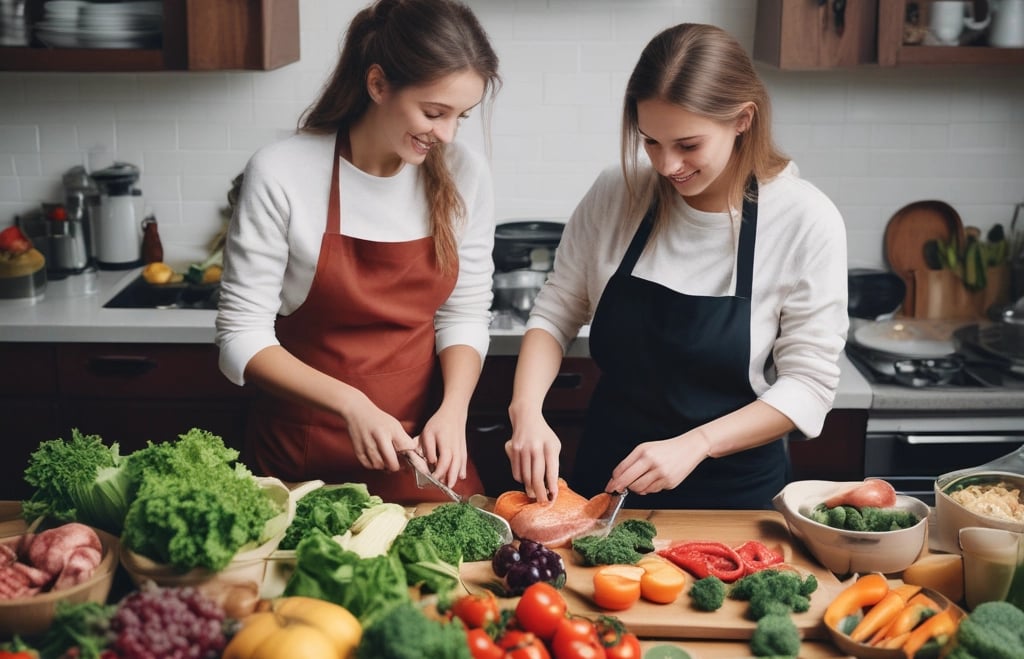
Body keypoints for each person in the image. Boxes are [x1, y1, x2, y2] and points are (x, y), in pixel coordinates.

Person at [505, 23, 848, 510]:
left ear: (742, 120)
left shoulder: (804, 220)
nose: (667, 167)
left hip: (732, 498)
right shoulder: (617, 193)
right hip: (607, 482)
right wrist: (527, 412)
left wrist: (697, 443)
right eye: (650, 142)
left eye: (688, 145)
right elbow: (557, 310)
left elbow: (809, 386)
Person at [215, 0, 500, 503]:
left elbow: (465, 313)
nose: (448, 134)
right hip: (300, 465)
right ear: (377, 84)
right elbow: (241, 337)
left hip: (423, 459)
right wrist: (352, 404)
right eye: (434, 113)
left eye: (461, 116)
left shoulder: (464, 174)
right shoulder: (283, 171)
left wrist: (453, 410)